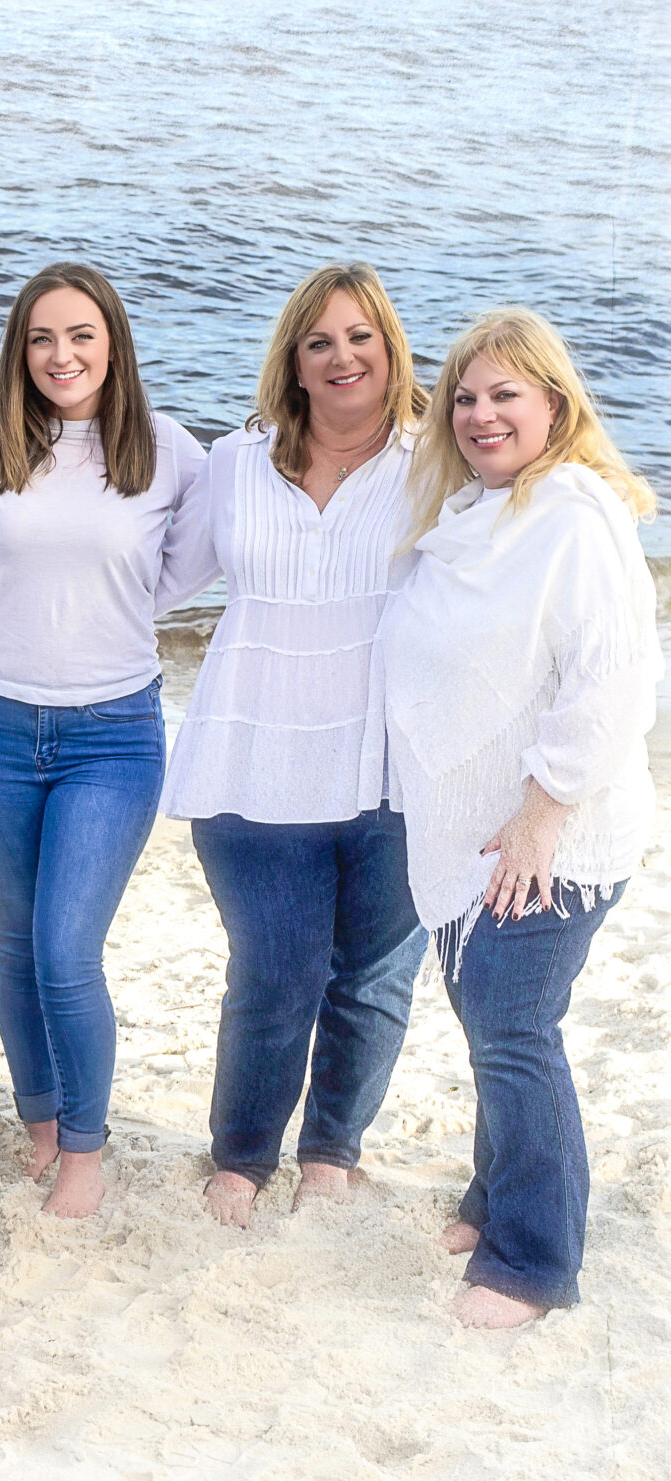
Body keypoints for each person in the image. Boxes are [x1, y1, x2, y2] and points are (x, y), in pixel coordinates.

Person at [377, 307, 660, 1328]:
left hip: (550, 833)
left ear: (554, 403)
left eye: (506, 394)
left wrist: (542, 813)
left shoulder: (573, 519)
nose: (481, 414)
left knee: (512, 1027)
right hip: (474, 825)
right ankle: (490, 1194)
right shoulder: (472, 518)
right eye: (464, 397)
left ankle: (532, 1261)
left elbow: (617, 683)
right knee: (485, 1013)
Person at [164, 264, 431, 1228]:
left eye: (361, 337)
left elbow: (508, 575)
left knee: (370, 972)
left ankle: (331, 1150)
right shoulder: (237, 459)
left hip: (394, 758)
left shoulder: (435, 457)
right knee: (274, 968)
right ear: (294, 361)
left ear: (391, 350)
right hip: (252, 747)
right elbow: (155, 573)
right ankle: (241, 1153)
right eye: (319, 341)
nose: (342, 356)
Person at [0, 262, 211, 1220]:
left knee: (68, 948)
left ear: (114, 344)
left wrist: (103, 609)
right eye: (42, 339)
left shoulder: (169, 452)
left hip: (113, 732)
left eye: (82, 336)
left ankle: (87, 1151)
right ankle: (41, 1124)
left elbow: (181, 572)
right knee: (16, 943)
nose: (63, 356)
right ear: (21, 350)